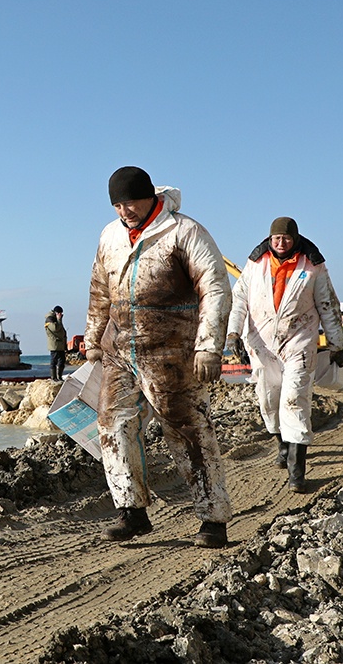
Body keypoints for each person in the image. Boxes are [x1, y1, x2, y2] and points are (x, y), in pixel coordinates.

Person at [84, 166, 232, 548]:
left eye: (131, 202)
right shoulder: (109, 236)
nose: (125, 211)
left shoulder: (184, 231)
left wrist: (208, 346)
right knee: (113, 425)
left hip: (172, 350)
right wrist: (93, 339)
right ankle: (131, 512)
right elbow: (99, 289)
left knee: (187, 430)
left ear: (150, 196)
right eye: (118, 205)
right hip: (120, 350)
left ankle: (213, 518)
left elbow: (215, 287)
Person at [226, 217, 343, 493]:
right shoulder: (256, 264)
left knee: (295, 399)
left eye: (287, 238)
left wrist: (337, 344)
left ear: (296, 239)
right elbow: (239, 300)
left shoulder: (312, 266)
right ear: (270, 239)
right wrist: (233, 333)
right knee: (269, 400)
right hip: (261, 344)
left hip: (298, 342)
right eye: (276, 238)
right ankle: (282, 443)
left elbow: (327, 305)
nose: (281, 243)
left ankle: (296, 470)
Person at [45, 306, 68, 382]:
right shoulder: (49, 319)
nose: (61, 315)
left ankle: (59, 377)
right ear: (56, 313)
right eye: (59, 313)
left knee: (62, 361)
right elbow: (55, 329)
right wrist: (59, 319)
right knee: (54, 362)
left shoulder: (57, 320)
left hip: (61, 345)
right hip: (54, 345)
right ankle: (54, 377)